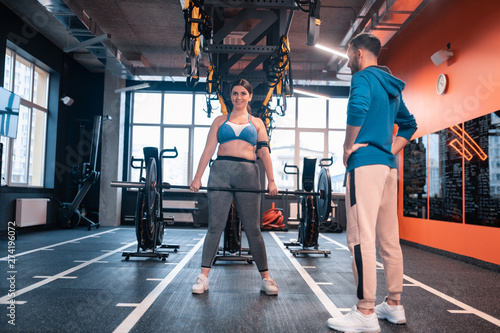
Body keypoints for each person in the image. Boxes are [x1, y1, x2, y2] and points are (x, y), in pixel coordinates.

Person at [327, 33, 418, 332]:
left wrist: (347, 146)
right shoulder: (392, 87)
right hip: (388, 168)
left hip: (365, 167)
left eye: (349, 53)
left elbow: (357, 109)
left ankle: (365, 311)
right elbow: (409, 124)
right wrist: (387, 150)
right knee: (389, 239)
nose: (348, 59)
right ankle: (394, 304)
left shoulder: (363, 78)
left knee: (360, 237)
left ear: (359, 52)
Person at [190, 79, 279, 296]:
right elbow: (208, 150)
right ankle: (203, 277)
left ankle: (266, 278)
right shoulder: (220, 121)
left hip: (248, 173)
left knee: (253, 228)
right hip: (220, 172)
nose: (238, 97)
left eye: (242, 93)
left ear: (249, 97)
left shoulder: (257, 123)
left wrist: (272, 180)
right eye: (234, 93)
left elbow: (264, 152)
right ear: (230, 96)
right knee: (215, 226)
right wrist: (198, 177)